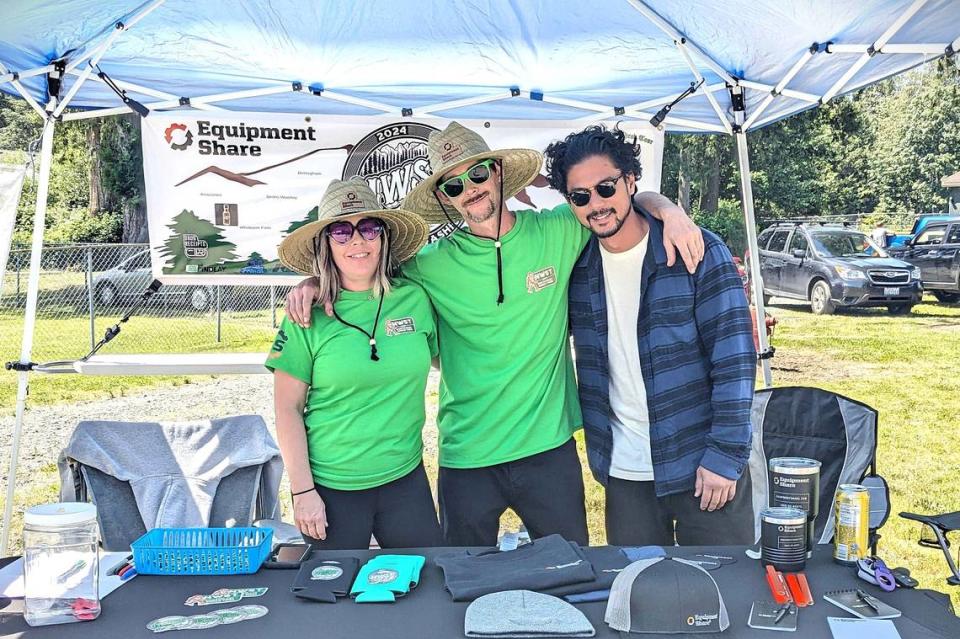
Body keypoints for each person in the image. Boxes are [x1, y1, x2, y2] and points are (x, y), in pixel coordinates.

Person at [285, 122, 704, 548]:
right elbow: (360, 269)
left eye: (478, 174)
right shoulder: (428, 264)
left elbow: (621, 200)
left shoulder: (559, 228)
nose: (470, 189)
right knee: (460, 586)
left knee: (571, 574)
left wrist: (670, 211)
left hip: (548, 449)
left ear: (499, 173)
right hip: (467, 455)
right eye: (453, 186)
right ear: (445, 199)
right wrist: (313, 284)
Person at [544, 126, 756, 546]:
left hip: (702, 465)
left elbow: (734, 359)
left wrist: (725, 455)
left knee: (723, 598)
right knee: (637, 601)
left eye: (606, 188)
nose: (597, 205)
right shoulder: (576, 267)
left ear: (630, 180)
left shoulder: (695, 250)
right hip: (625, 475)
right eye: (580, 196)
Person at [268, 178, 443, 549]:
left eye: (368, 228)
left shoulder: (415, 298)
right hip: (331, 490)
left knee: (424, 586)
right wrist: (303, 492)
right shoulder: (306, 315)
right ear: (325, 244)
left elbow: (446, 359)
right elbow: (287, 409)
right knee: (334, 600)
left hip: (405, 479)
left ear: (384, 238)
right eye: (341, 231)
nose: (357, 241)